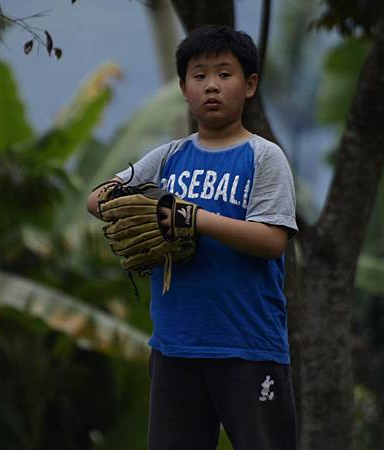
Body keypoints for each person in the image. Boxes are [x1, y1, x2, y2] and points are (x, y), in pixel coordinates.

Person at [87, 24, 298, 450]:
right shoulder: (169, 156)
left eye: (225, 73)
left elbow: (272, 240)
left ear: (250, 84)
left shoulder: (264, 156)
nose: (212, 86)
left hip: (248, 347)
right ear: (183, 88)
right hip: (175, 349)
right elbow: (97, 199)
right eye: (199, 76)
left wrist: (193, 218)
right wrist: (134, 203)